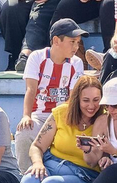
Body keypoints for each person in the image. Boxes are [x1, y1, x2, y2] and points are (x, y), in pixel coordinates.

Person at [13, 71, 109, 183]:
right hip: (51, 165)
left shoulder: (104, 119)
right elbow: (37, 146)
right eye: (86, 100)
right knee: (29, 179)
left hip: (83, 176)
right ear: (77, 99)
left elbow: (94, 160)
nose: (91, 106)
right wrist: (38, 163)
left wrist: (88, 149)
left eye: (96, 100)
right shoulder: (62, 112)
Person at [15, 17, 89, 163]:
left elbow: (73, 97)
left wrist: (58, 121)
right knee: (23, 132)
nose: (76, 47)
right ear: (56, 41)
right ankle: (25, 175)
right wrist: (26, 116)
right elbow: (31, 89)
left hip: (63, 117)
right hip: (39, 115)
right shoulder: (37, 57)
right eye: (72, 42)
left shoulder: (77, 63)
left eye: (78, 42)